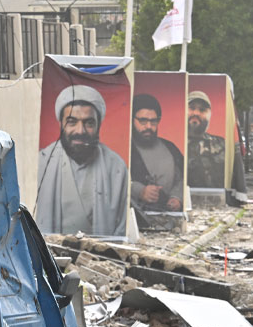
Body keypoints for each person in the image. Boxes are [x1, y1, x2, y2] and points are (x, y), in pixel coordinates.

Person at [35, 84, 128, 236]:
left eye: (89, 123)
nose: (80, 131)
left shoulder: (116, 167)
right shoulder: (41, 163)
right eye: (72, 122)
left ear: (98, 125)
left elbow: (121, 229)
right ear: (61, 123)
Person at [129, 94, 184, 213]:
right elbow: (111, 183)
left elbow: (182, 179)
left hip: (168, 219)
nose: (148, 126)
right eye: (143, 121)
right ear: (131, 119)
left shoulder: (171, 148)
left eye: (153, 121)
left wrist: (176, 197)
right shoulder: (124, 148)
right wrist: (139, 191)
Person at [185, 90, 227, 188]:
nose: (196, 113)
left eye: (202, 110)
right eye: (191, 108)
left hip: (214, 201)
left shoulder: (222, 145)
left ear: (210, 114)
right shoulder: (173, 145)